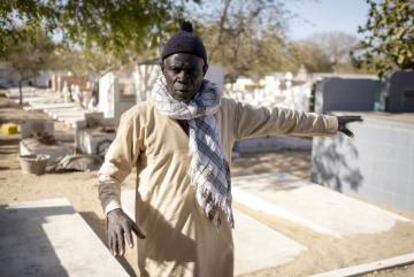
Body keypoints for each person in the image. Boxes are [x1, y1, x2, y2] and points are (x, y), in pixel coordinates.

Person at [98, 21, 362, 277]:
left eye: (191, 71)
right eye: (175, 69)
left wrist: (330, 123)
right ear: (162, 68)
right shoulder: (140, 117)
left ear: (205, 70)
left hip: (215, 240)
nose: (182, 78)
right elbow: (110, 173)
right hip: (167, 243)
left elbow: (280, 118)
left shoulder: (227, 113)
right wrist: (113, 209)